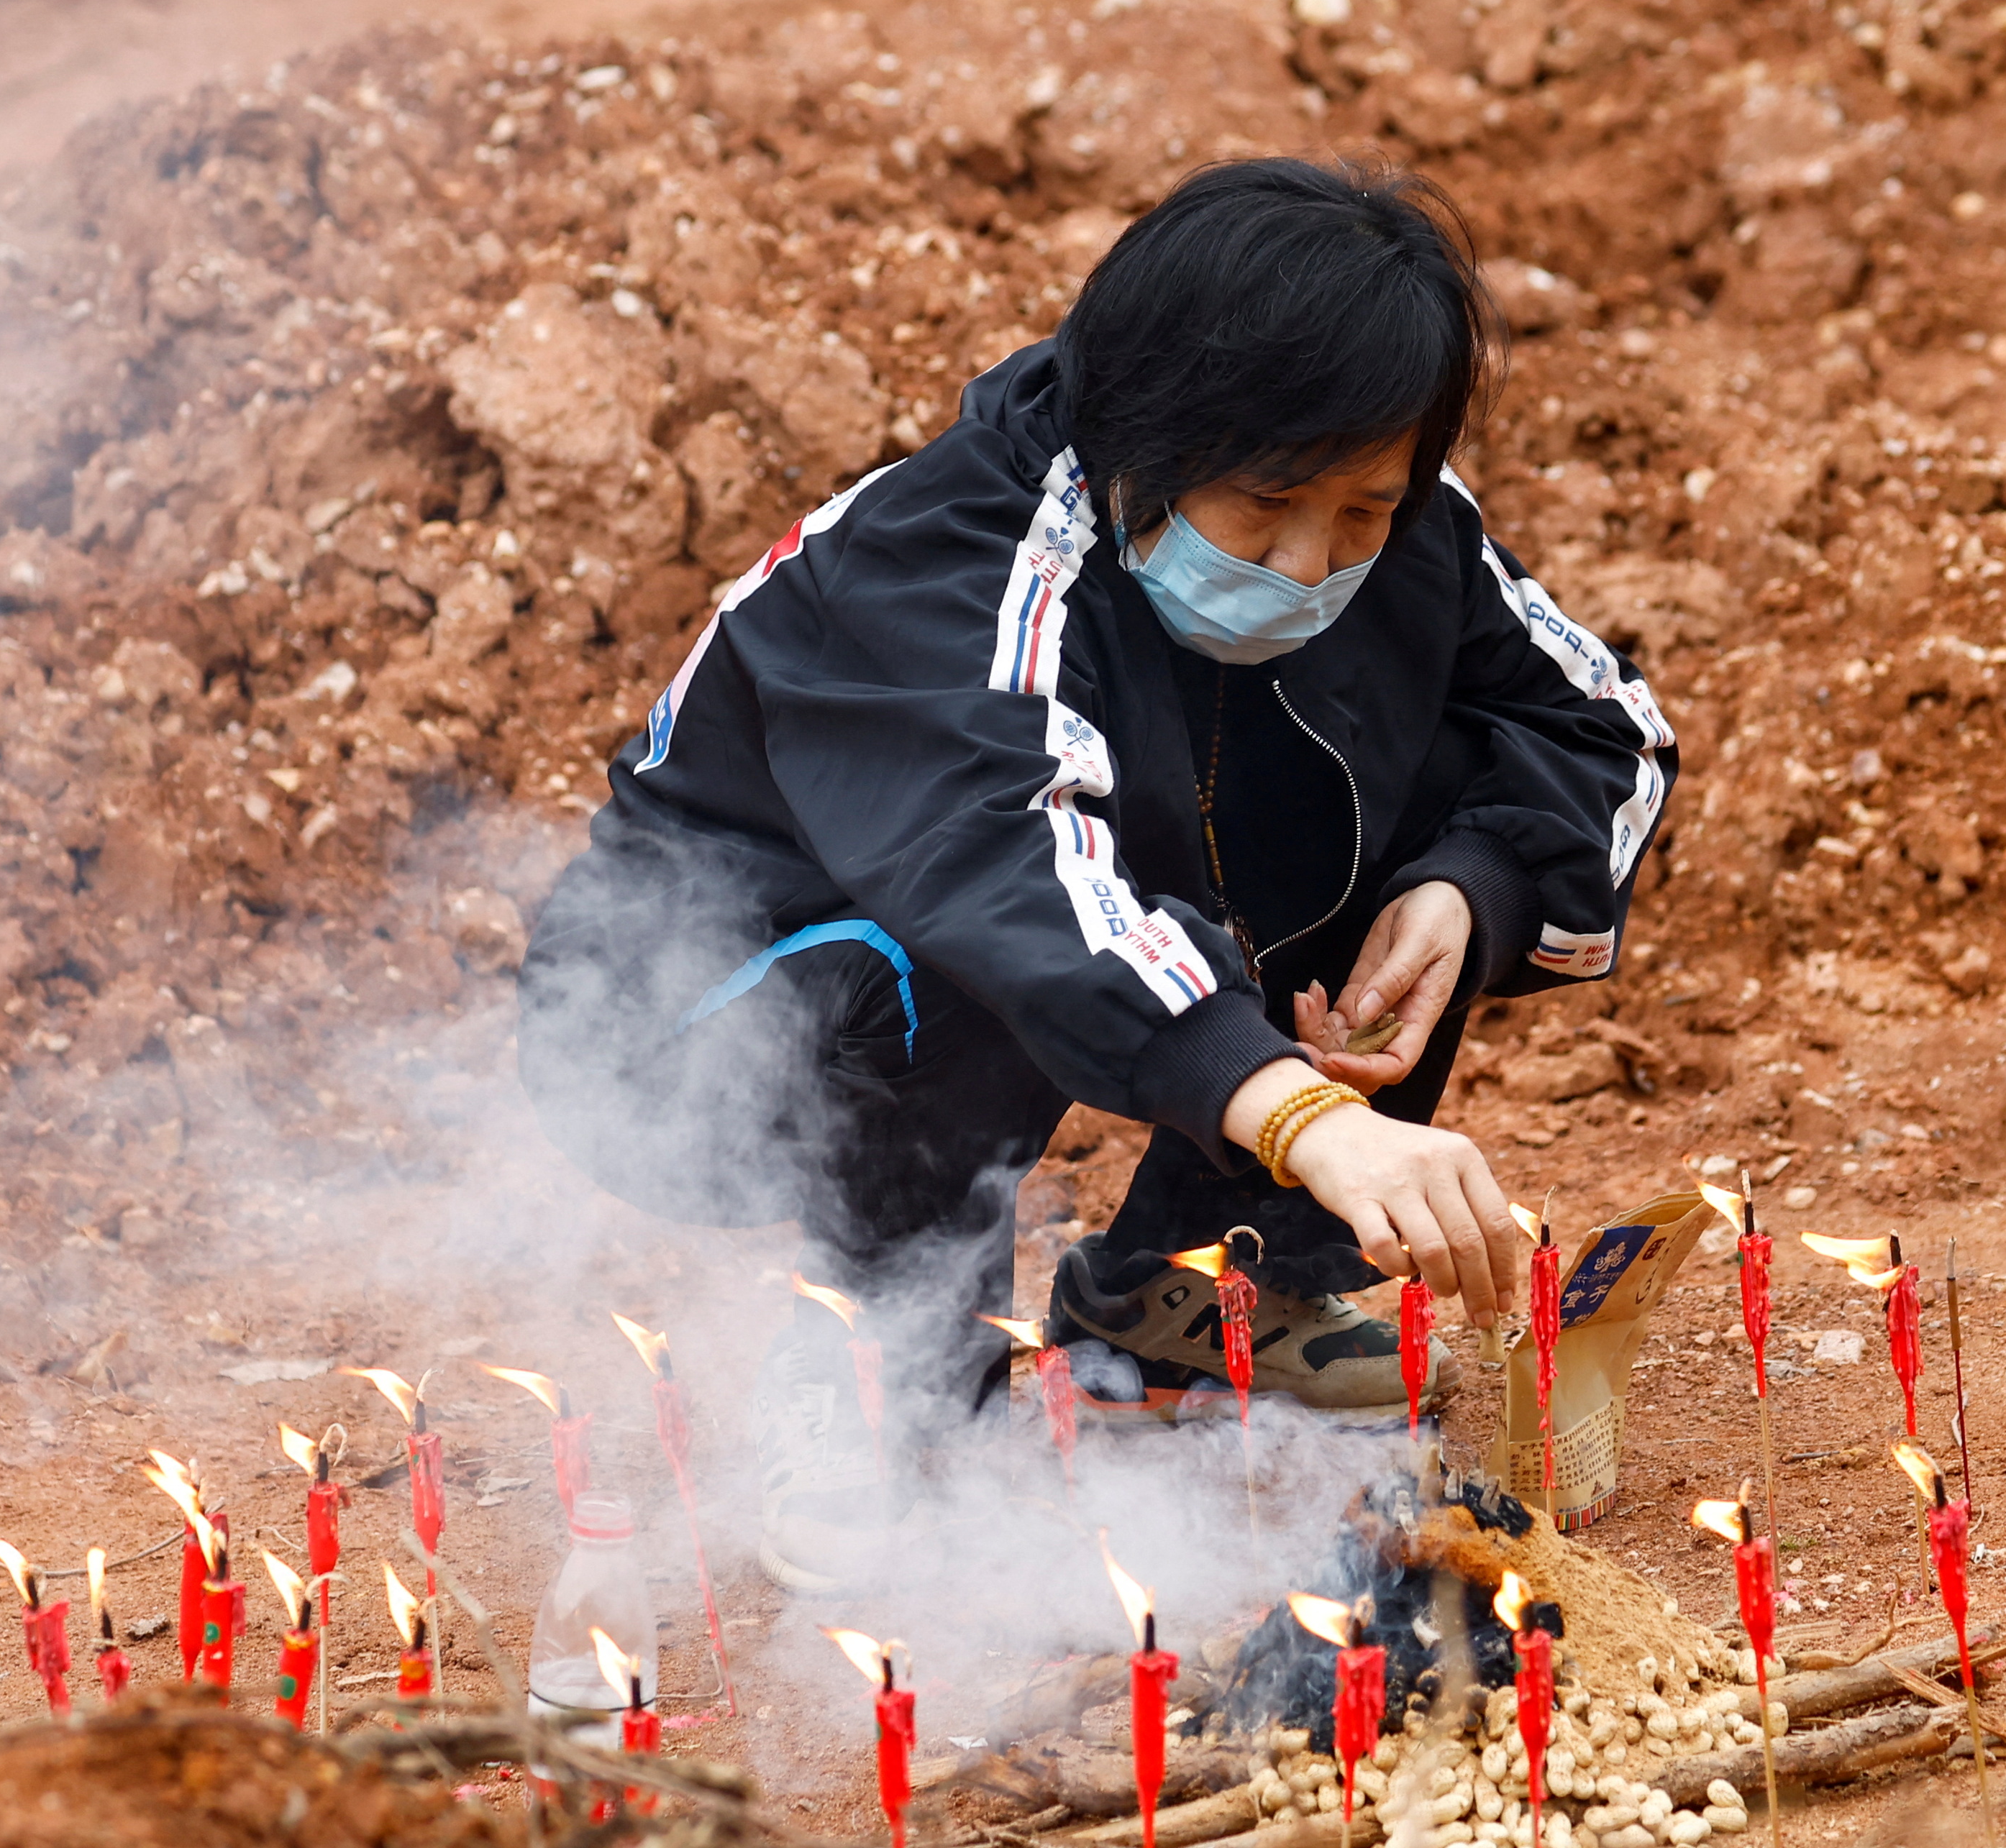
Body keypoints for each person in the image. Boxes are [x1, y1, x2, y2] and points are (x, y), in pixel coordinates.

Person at [517, 157, 1678, 1591]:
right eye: (1263, 505)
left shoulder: (1403, 529)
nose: (1312, 562)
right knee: (952, 938)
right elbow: (1010, 871)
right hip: (694, 1025)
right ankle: (869, 1355)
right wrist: (1310, 1111)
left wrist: (1467, 889)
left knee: (1432, 783)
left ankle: (1207, 1289)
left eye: (1363, 511)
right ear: (1150, 431)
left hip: (1027, 920)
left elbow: (1601, 728)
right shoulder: (944, 563)